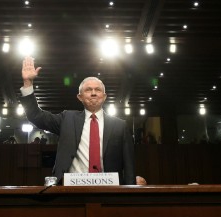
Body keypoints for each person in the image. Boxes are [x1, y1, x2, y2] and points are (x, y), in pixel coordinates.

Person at [20, 56, 135, 185]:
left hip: (109, 190)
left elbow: (129, 166)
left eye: (97, 90)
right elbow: (36, 116)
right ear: (80, 97)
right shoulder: (67, 119)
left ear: (104, 97)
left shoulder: (120, 125)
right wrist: (28, 83)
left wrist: (130, 194)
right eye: (88, 90)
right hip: (72, 190)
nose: (93, 93)